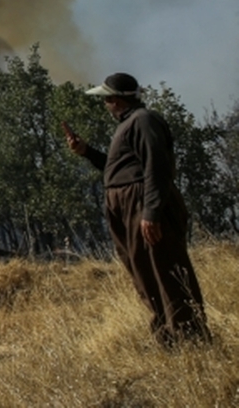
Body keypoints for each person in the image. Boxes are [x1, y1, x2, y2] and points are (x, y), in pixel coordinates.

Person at [64, 72, 210, 346]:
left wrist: (151, 212)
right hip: (130, 206)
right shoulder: (129, 124)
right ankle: (169, 337)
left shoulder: (144, 120)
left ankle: (191, 340)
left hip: (143, 205)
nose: (105, 104)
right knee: (144, 272)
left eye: (106, 99)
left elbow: (157, 167)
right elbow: (120, 169)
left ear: (116, 100)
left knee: (166, 269)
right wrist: (87, 152)